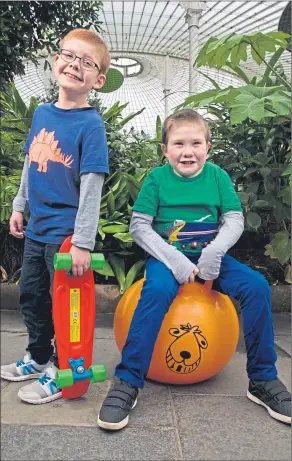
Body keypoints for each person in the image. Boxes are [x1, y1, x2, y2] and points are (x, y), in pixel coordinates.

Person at [98, 109, 291, 430]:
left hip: (210, 260)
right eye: (178, 144)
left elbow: (233, 219)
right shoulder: (157, 180)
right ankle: (128, 381)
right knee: (156, 290)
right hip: (167, 259)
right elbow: (140, 226)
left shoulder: (216, 176)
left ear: (207, 146)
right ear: (165, 150)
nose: (187, 151)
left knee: (256, 286)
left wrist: (215, 251)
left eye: (196, 143)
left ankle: (262, 379)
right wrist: (174, 260)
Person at [1, 29, 110, 404]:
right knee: (31, 296)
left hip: (65, 236)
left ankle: (62, 369)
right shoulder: (42, 114)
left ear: (98, 80)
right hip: (36, 229)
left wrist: (82, 242)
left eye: (87, 62)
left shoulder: (91, 126)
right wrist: (19, 205)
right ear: (55, 63)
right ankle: (39, 356)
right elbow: (33, 162)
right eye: (69, 56)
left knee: (65, 307)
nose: (75, 65)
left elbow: (92, 187)